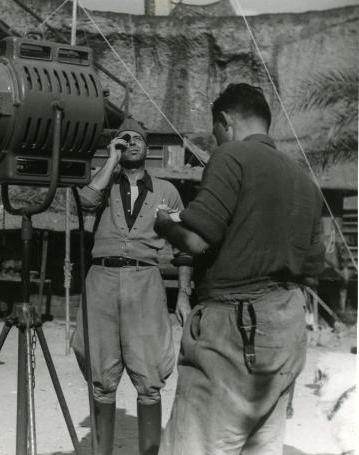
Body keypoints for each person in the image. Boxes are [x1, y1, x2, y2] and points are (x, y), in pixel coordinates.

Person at [154, 83, 325, 455]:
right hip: (287, 328)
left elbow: (198, 240)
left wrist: (165, 224)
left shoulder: (232, 156)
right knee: (261, 446)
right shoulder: (303, 180)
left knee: (194, 445)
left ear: (225, 121)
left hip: (235, 329)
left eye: (216, 133)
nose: (216, 142)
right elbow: (315, 263)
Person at [72, 117, 193, 455]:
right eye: (124, 139)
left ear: (147, 146)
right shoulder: (104, 184)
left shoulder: (167, 190)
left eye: (137, 138)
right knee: (101, 375)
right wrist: (111, 159)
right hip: (102, 281)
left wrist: (183, 294)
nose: (131, 143)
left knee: (149, 374)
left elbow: (184, 248)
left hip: (145, 282)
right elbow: (84, 202)